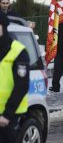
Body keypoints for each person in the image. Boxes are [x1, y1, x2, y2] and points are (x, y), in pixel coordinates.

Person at [0, 11, 29, 143]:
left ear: (3, 26)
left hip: (8, 115)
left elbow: (21, 86)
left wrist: (7, 114)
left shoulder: (18, 51)